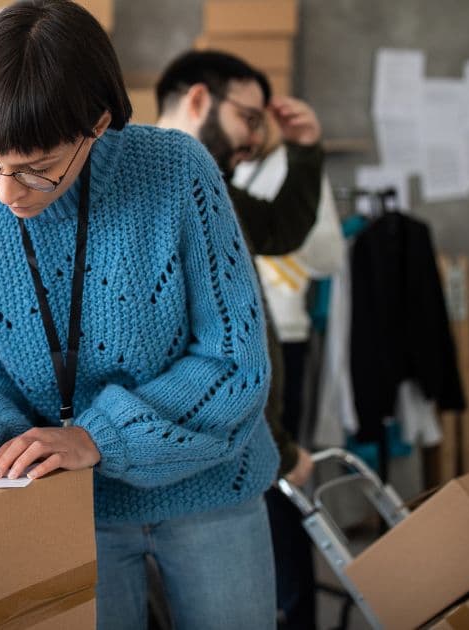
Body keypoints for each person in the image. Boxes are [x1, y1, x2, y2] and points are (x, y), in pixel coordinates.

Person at [0, 2, 277, 628]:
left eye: (37, 170)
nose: (7, 193)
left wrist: (96, 437)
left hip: (212, 491)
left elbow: (234, 364)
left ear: (98, 123)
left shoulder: (177, 172)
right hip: (70, 508)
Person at [156, 50, 332, 629]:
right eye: (249, 119)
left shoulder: (214, 188)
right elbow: (213, 351)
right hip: (189, 473)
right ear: (200, 99)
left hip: (234, 457)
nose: (255, 140)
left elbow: (282, 227)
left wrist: (304, 149)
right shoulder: (155, 188)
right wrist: (278, 445)